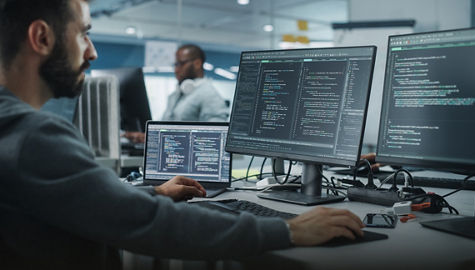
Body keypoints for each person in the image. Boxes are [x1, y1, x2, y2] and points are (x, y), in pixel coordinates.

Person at [0, 0, 364, 269]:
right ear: (42, 37)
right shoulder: (33, 137)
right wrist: (289, 232)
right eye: (83, 34)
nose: (92, 51)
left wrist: (152, 191)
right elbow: (147, 222)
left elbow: (84, 203)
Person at [162, 44, 229, 122]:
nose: (176, 70)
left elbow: (217, 131)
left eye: (181, 64)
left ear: (197, 63)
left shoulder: (209, 95)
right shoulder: (176, 95)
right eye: (175, 64)